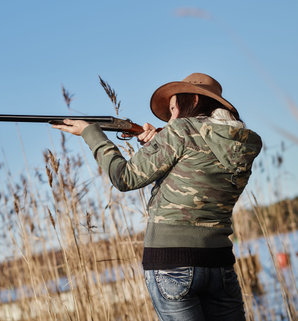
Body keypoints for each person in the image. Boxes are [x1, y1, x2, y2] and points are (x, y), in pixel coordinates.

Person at [52, 73, 262, 321]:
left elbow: (125, 177)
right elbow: (194, 162)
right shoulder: (244, 143)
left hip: (172, 263)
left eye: (174, 109)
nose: (172, 117)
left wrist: (92, 134)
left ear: (192, 100)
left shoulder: (180, 130)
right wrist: (159, 142)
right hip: (220, 264)